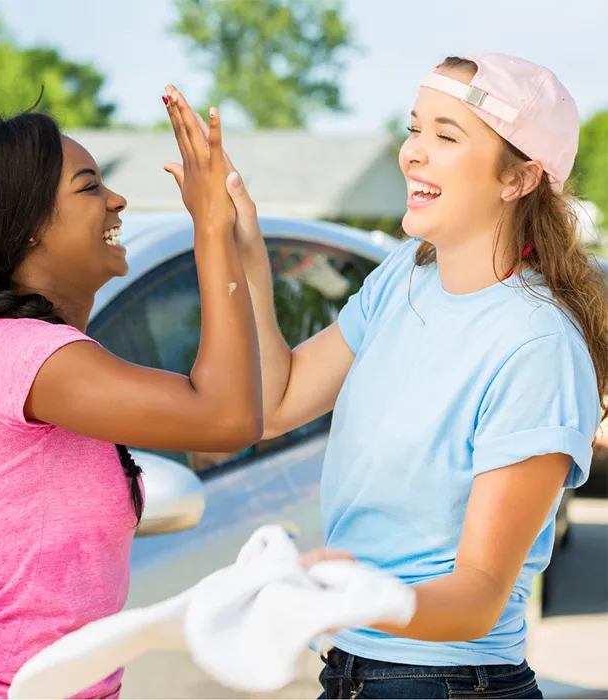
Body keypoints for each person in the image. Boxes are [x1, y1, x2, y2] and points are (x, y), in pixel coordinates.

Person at [167, 53, 608, 699]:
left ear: (519, 177)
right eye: (414, 128)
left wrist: (346, 597)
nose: (413, 154)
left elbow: (479, 597)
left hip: (448, 683)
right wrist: (248, 252)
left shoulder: (537, 346)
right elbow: (278, 401)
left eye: (446, 135)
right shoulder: (406, 274)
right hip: (349, 671)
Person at [0, 92, 261, 699]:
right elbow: (227, 417)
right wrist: (209, 230)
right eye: (89, 186)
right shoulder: (24, 353)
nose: (117, 201)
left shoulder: (27, 354)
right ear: (24, 231)